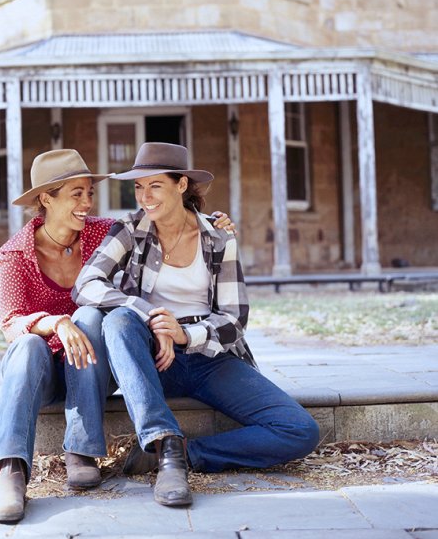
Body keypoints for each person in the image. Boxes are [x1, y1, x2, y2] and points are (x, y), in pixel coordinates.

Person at [0, 147, 239, 523]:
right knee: (27, 346)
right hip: (43, 373)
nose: (88, 202)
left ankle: (81, 450)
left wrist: (212, 222)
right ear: (45, 199)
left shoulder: (104, 232)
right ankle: (10, 471)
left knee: (89, 314)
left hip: (94, 369)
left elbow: (160, 222)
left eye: (90, 192)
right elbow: (10, 323)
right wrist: (55, 323)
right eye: (77, 194)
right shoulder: (14, 254)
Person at [72, 142, 320, 508]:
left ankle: (188, 453)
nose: (145, 196)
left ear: (181, 185)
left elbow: (235, 320)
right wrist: (151, 316)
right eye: (139, 186)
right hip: (155, 358)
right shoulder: (129, 228)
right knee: (120, 321)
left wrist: (186, 333)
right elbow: (86, 284)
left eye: (155, 185)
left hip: (210, 358)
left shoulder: (219, 238)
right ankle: (165, 444)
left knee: (300, 430)